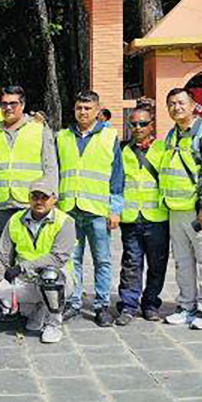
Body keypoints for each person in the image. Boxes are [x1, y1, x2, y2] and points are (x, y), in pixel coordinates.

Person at [56, 90, 123, 325]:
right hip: (69, 209)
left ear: (97, 111)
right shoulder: (63, 136)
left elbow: (117, 176)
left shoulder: (109, 136)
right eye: (79, 108)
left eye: (87, 108)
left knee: (102, 260)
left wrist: (115, 209)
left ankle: (102, 305)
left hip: (97, 210)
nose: (83, 112)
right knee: (71, 259)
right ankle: (73, 302)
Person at [159, 89, 202, 330]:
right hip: (175, 208)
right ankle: (186, 305)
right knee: (182, 261)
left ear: (193, 105)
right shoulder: (172, 135)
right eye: (171, 104)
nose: (176, 107)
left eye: (181, 103)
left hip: (198, 211)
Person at [0, 180, 75, 344]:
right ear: (28, 198)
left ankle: (53, 324)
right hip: (25, 279)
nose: (39, 201)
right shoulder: (15, 219)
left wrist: (22, 267)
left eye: (44, 197)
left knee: (50, 277)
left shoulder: (65, 222)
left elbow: (58, 258)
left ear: (54, 199)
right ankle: (37, 311)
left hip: (57, 280)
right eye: (35, 197)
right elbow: (2, 256)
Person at [0, 85, 59, 279]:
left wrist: (51, 198)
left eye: (13, 103)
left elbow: (50, 165)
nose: (8, 108)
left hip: (31, 203)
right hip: (3, 204)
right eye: (4, 104)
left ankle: (31, 293)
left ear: (23, 105)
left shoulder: (38, 128)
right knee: (2, 256)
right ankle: (2, 294)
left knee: (30, 254)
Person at [115, 100, 171, 326]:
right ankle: (128, 305)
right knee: (131, 262)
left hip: (156, 217)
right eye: (134, 124)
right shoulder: (122, 150)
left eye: (143, 123)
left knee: (157, 264)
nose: (138, 128)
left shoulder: (163, 149)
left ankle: (150, 303)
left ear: (152, 125)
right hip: (130, 217)